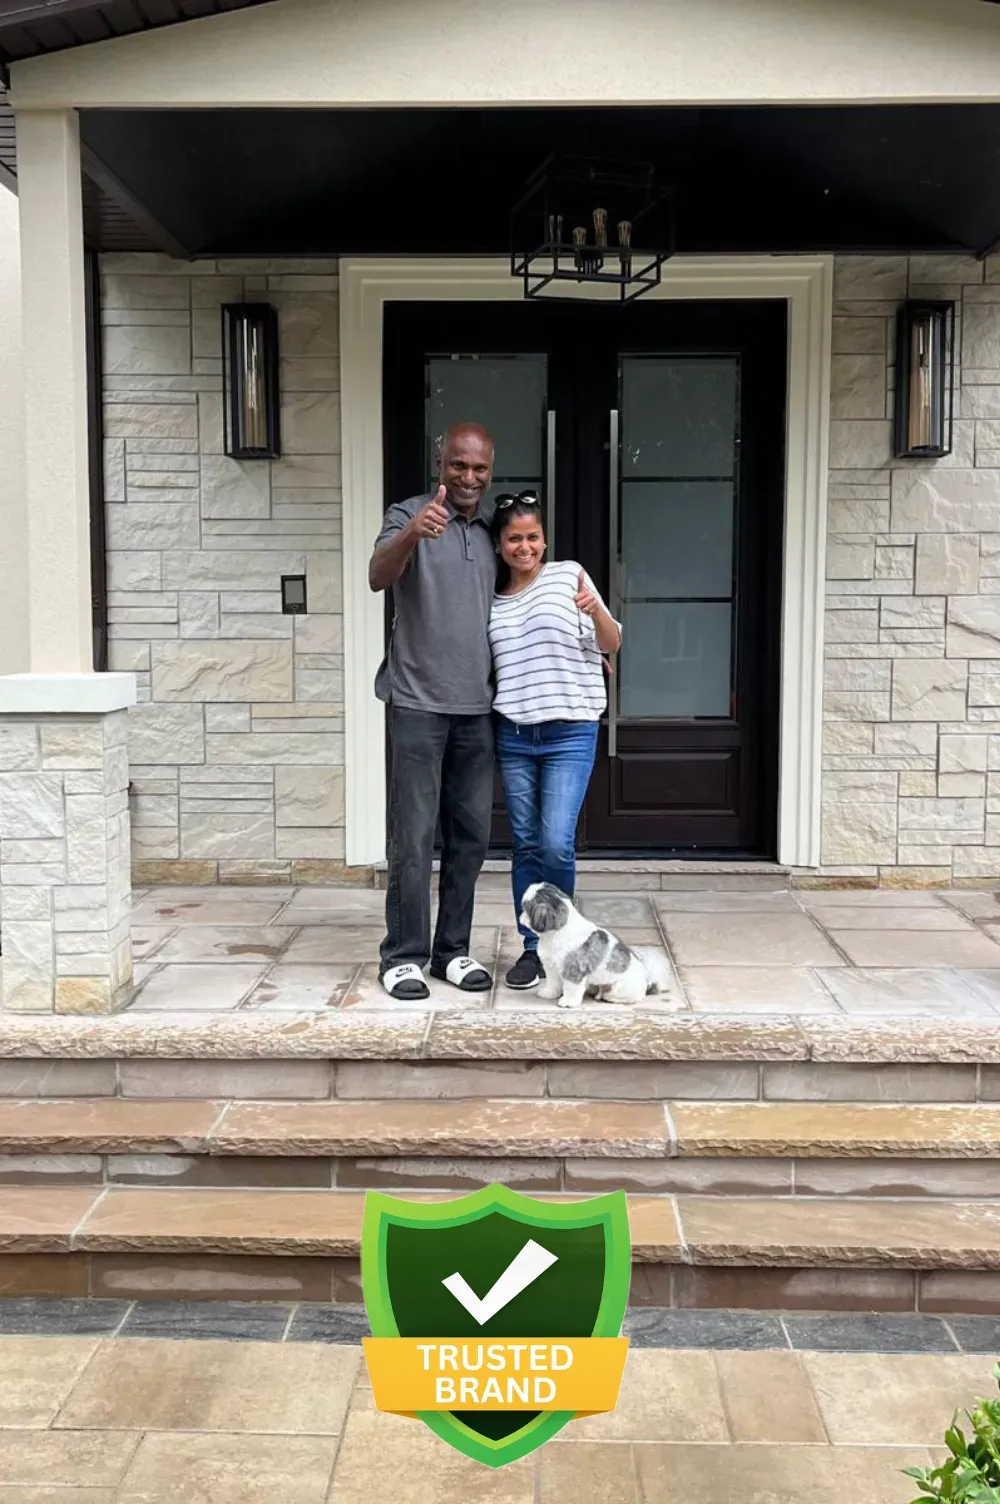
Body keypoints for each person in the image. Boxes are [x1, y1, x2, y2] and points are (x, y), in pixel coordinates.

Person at [369, 422, 498, 1001]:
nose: (468, 478)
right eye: (458, 466)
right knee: (414, 838)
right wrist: (412, 536)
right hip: (417, 705)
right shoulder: (409, 515)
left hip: (478, 710)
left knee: (470, 839)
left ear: (489, 472)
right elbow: (377, 576)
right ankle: (403, 956)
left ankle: (453, 951)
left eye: (479, 469)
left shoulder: (496, 532)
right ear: (439, 463)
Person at [488, 492, 622, 990]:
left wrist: (595, 613)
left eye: (533, 537)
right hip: (515, 733)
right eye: (514, 538)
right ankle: (532, 950)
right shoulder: (491, 597)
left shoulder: (570, 576)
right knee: (524, 844)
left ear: (544, 539)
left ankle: (561, 941)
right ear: (500, 545)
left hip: (569, 730)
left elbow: (611, 644)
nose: (526, 546)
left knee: (555, 843)